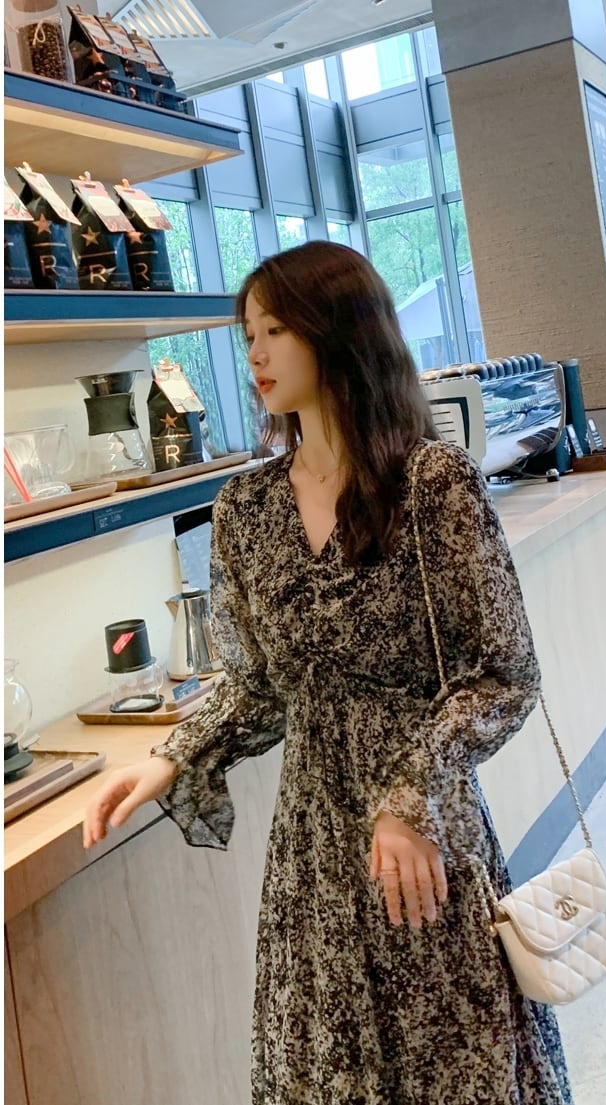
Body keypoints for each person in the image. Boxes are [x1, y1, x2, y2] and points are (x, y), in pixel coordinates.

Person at [83, 241, 573, 1105]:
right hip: (312, 850)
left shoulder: (432, 485)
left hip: (423, 834)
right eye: (248, 334)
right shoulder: (245, 509)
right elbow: (256, 684)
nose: (256, 353)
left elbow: (506, 672)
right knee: (324, 1067)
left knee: (451, 1059)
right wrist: (171, 756)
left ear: (339, 331)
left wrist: (411, 794)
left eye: (276, 328)